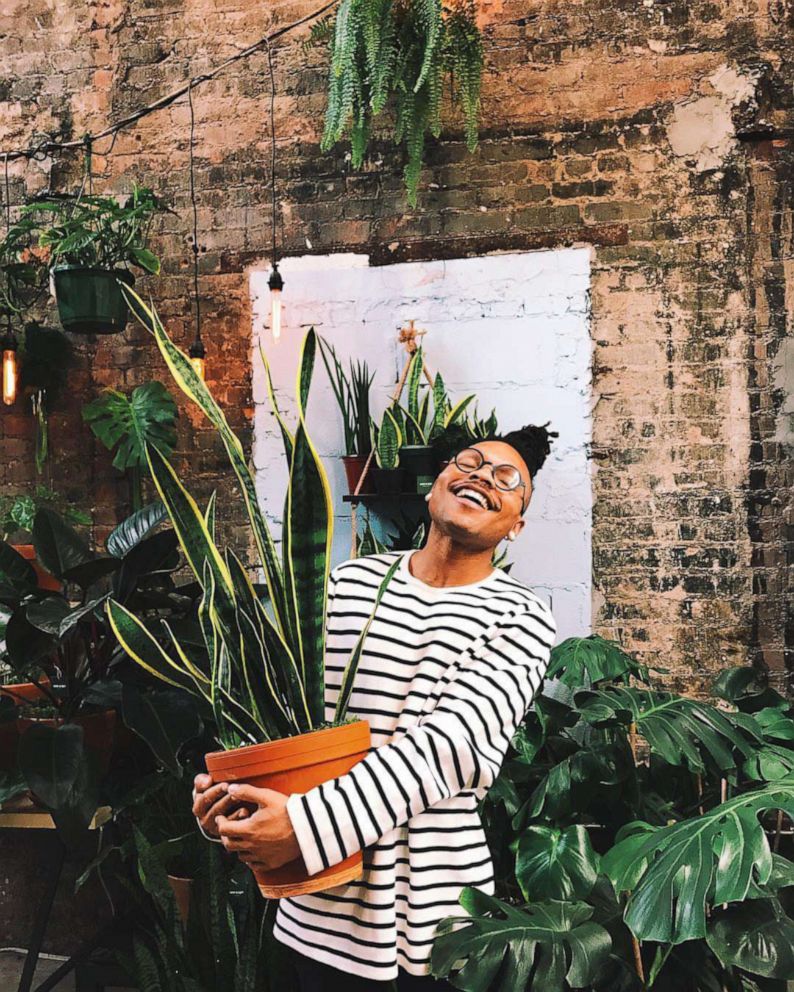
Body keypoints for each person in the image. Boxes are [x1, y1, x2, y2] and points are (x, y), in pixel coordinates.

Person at [193, 424, 559, 990]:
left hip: (432, 925)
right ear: (436, 483)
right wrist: (234, 796)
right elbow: (286, 716)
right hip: (314, 912)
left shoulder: (519, 616)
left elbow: (450, 748)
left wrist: (301, 825)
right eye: (470, 461)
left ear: (516, 525)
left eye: (508, 480)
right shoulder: (344, 583)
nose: (483, 475)